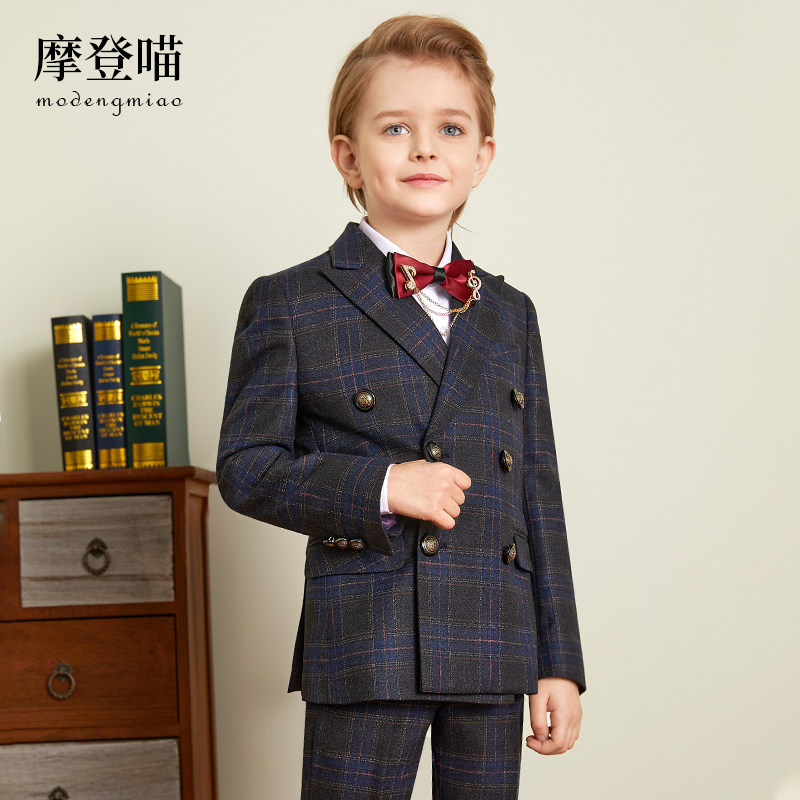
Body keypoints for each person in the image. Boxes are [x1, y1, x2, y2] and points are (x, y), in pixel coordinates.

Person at [217, 14, 585, 799]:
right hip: (367, 638)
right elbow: (245, 469)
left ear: (482, 156)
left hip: (494, 640)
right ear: (348, 155)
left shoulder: (511, 314)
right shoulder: (290, 301)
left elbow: (538, 494)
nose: (425, 149)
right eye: (395, 128)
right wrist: (384, 485)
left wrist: (559, 661)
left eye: (450, 128)